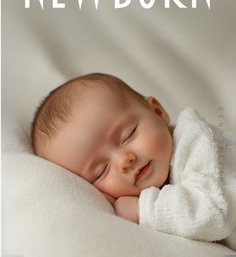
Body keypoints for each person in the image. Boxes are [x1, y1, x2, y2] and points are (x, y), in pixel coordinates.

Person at [31, 73, 236, 250]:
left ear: (158, 112)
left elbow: (214, 213)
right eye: (101, 170)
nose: (124, 161)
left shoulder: (196, 143)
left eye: (128, 135)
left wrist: (143, 209)